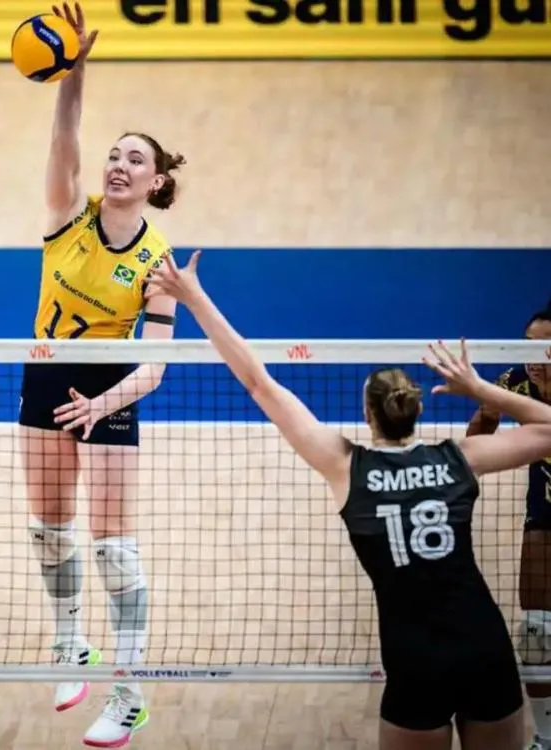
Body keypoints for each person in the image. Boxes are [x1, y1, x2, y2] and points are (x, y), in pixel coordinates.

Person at [145, 251, 551, 750]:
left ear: (366, 412)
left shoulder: (348, 468)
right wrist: (483, 389)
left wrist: (195, 296)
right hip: (483, 646)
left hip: (413, 657)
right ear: (417, 410)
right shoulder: (459, 458)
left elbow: (258, 381)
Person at [18, 3, 184, 745]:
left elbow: (155, 365)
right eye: (114, 155)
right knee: (50, 531)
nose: (117, 165)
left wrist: (103, 404)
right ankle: (69, 646)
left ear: (155, 184)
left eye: (134, 160)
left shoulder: (158, 262)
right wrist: (74, 67)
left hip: (109, 388)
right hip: (46, 377)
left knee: (114, 546)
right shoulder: (66, 214)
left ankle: (128, 690)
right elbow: (64, 138)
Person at [464, 300, 551, 750]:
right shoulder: (513, 382)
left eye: (547, 348)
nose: (536, 358)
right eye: (529, 346)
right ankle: (547, 735)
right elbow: (481, 429)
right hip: (546, 511)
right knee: (537, 630)